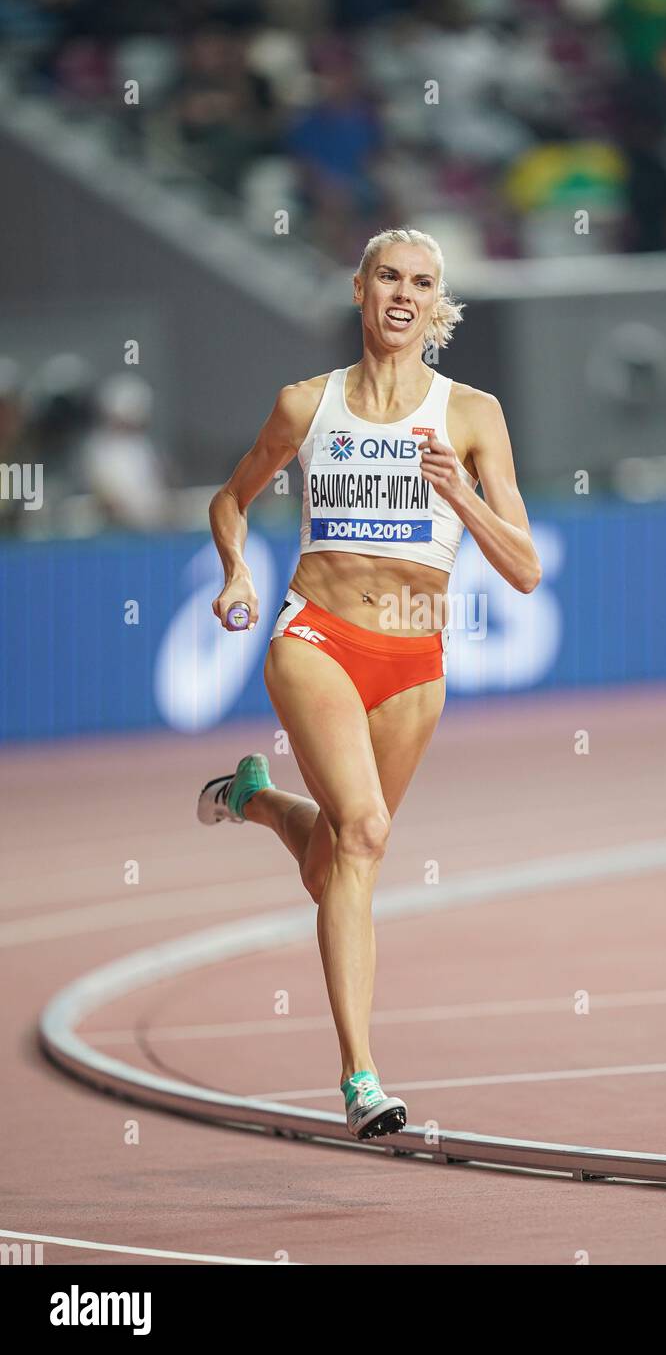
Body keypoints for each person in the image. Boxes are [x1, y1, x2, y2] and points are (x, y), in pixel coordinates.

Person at [197, 228, 541, 1140]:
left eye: (421, 282)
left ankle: (257, 801)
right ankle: (360, 1076)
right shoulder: (306, 405)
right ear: (359, 290)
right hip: (316, 634)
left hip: (416, 658)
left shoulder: (472, 414)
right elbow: (231, 498)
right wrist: (237, 572)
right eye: (387, 276)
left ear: (437, 304)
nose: (402, 293)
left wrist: (462, 499)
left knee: (342, 858)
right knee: (368, 832)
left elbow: (526, 568)